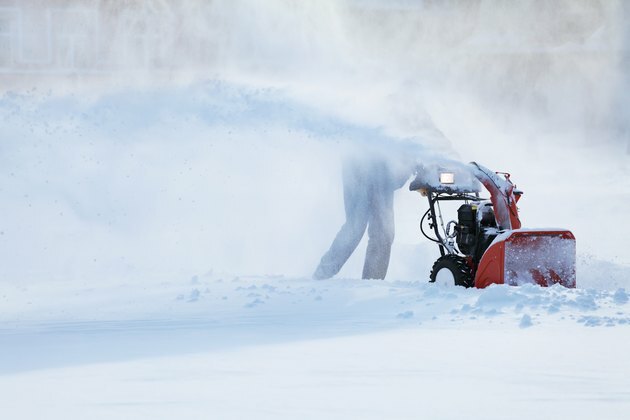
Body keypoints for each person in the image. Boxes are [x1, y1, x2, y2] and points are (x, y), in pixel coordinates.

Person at [313, 151, 414, 280]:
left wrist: (410, 165)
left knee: (383, 232)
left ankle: (372, 284)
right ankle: (321, 276)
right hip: (358, 162)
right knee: (355, 225)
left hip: (383, 166)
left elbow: (395, 180)